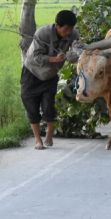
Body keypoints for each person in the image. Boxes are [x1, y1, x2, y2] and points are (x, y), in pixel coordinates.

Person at [21, 10, 81, 150]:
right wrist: (54, 59)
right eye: (66, 29)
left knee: (48, 105)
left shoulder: (74, 35)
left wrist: (74, 52)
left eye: (71, 29)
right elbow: (33, 57)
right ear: (57, 26)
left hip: (50, 75)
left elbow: (75, 56)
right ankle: (37, 140)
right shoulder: (42, 33)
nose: (68, 32)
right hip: (32, 73)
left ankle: (49, 134)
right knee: (31, 107)